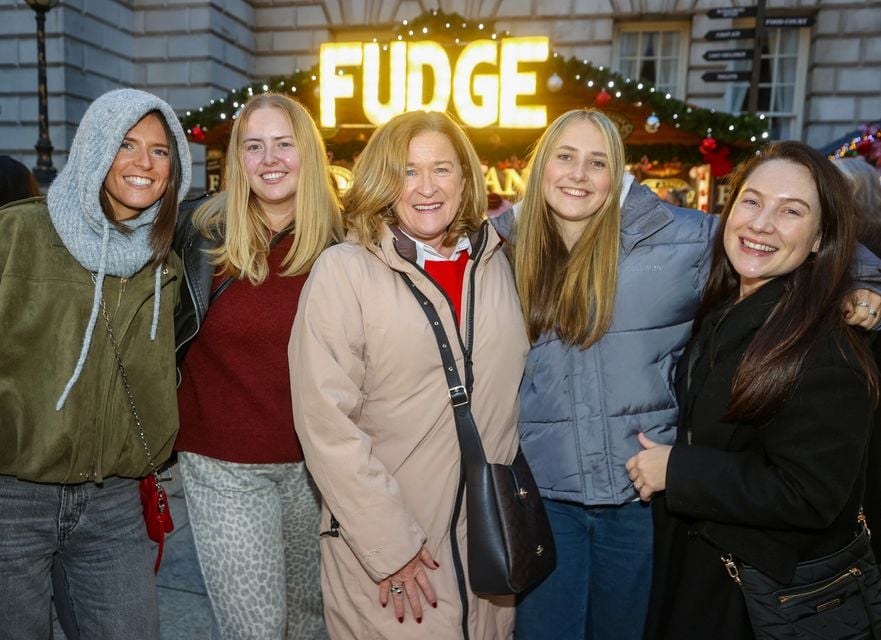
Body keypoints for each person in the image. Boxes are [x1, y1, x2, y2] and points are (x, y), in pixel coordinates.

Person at [490, 109, 881, 640]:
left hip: (641, 501)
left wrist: (867, 284)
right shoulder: (498, 248)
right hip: (546, 498)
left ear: (619, 174)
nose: (578, 175)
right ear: (540, 167)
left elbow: (785, 240)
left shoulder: (675, 238)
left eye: (597, 161)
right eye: (565, 157)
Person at [288, 110, 528, 639]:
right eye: (407, 171)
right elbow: (326, 425)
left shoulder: (495, 265)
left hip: (488, 542)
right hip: (393, 549)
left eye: (441, 169)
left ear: (465, 180)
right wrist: (389, 545)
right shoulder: (345, 271)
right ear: (381, 180)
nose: (426, 187)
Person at [628, 140, 879, 639]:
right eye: (752, 200)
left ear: (819, 239)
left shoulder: (827, 347)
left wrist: (678, 469)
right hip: (707, 575)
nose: (762, 223)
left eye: (791, 211)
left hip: (759, 599)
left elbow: (809, 495)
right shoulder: (728, 310)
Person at [0, 88, 191, 639]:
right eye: (126, 144)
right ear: (93, 147)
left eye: (161, 151)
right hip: (15, 496)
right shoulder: (19, 236)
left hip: (112, 503)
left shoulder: (165, 264)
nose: (144, 163)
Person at [174, 93, 342, 640]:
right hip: (222, 462)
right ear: (237, 159)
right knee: (259, 628)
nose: (270, 159)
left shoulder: (345, 240)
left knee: (311, 620)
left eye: (284, 144)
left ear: (307, 154)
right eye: (254, 146)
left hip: (317, 467)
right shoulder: (198, 232)